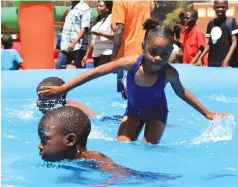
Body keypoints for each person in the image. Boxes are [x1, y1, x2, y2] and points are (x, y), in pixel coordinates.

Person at [38, 19, 229, 144]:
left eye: (164, 54)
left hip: (157, 114)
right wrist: (64, 87)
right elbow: (94, 73)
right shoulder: (130, 64)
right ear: (143, 47)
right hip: (132, 112)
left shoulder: (169, 73)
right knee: (122, 146)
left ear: (171, 52)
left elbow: (182, 92)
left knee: (148, 149)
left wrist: (208, 113)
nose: (157, 58)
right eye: (152, 52)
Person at [38, 106, 179, 187]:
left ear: (70, 140)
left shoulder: (92, 158)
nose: (40, 145)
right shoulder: (74, 159)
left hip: (149, 180)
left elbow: (122, 174)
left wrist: (97, 186)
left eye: (44, 140)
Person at [111, 0, 155, 99]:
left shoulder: (119, 2)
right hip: (144, 52)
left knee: (126, 96)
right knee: (142, 93)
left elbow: (119, 29)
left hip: (126, 56)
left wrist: (114, 57)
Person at [196, 0, 238, 67]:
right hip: (212, 62)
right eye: (217, 7)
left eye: (223, 7)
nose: (220, 9)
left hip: (226, 64)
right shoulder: (211, 24)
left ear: (227, 7)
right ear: (214, 8)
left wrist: (226, 60)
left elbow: (234, 42)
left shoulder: (231, 22)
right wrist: (200, 58)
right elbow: (209, 44)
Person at [55, 0, 91, 69]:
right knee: (59, 66)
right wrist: (64, 14)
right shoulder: (71, 7)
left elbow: (85, 28)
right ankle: (75, 68)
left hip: (78, 46)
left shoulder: (85, 8)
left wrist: (74, 43)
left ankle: (78, 69)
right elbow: (62, 22)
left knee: (79, 69)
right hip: (65, 45)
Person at [81, 1, 114, 68]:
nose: (98, 8)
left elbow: (116, 35)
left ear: (107, 8)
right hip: (96, 54)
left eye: (101, 6)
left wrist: (101, 33)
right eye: (97, 6)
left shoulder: (111, 18)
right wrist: (86, 55)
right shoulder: (98, 20)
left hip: (107, 53)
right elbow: (93, 40)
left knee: (102, 76)